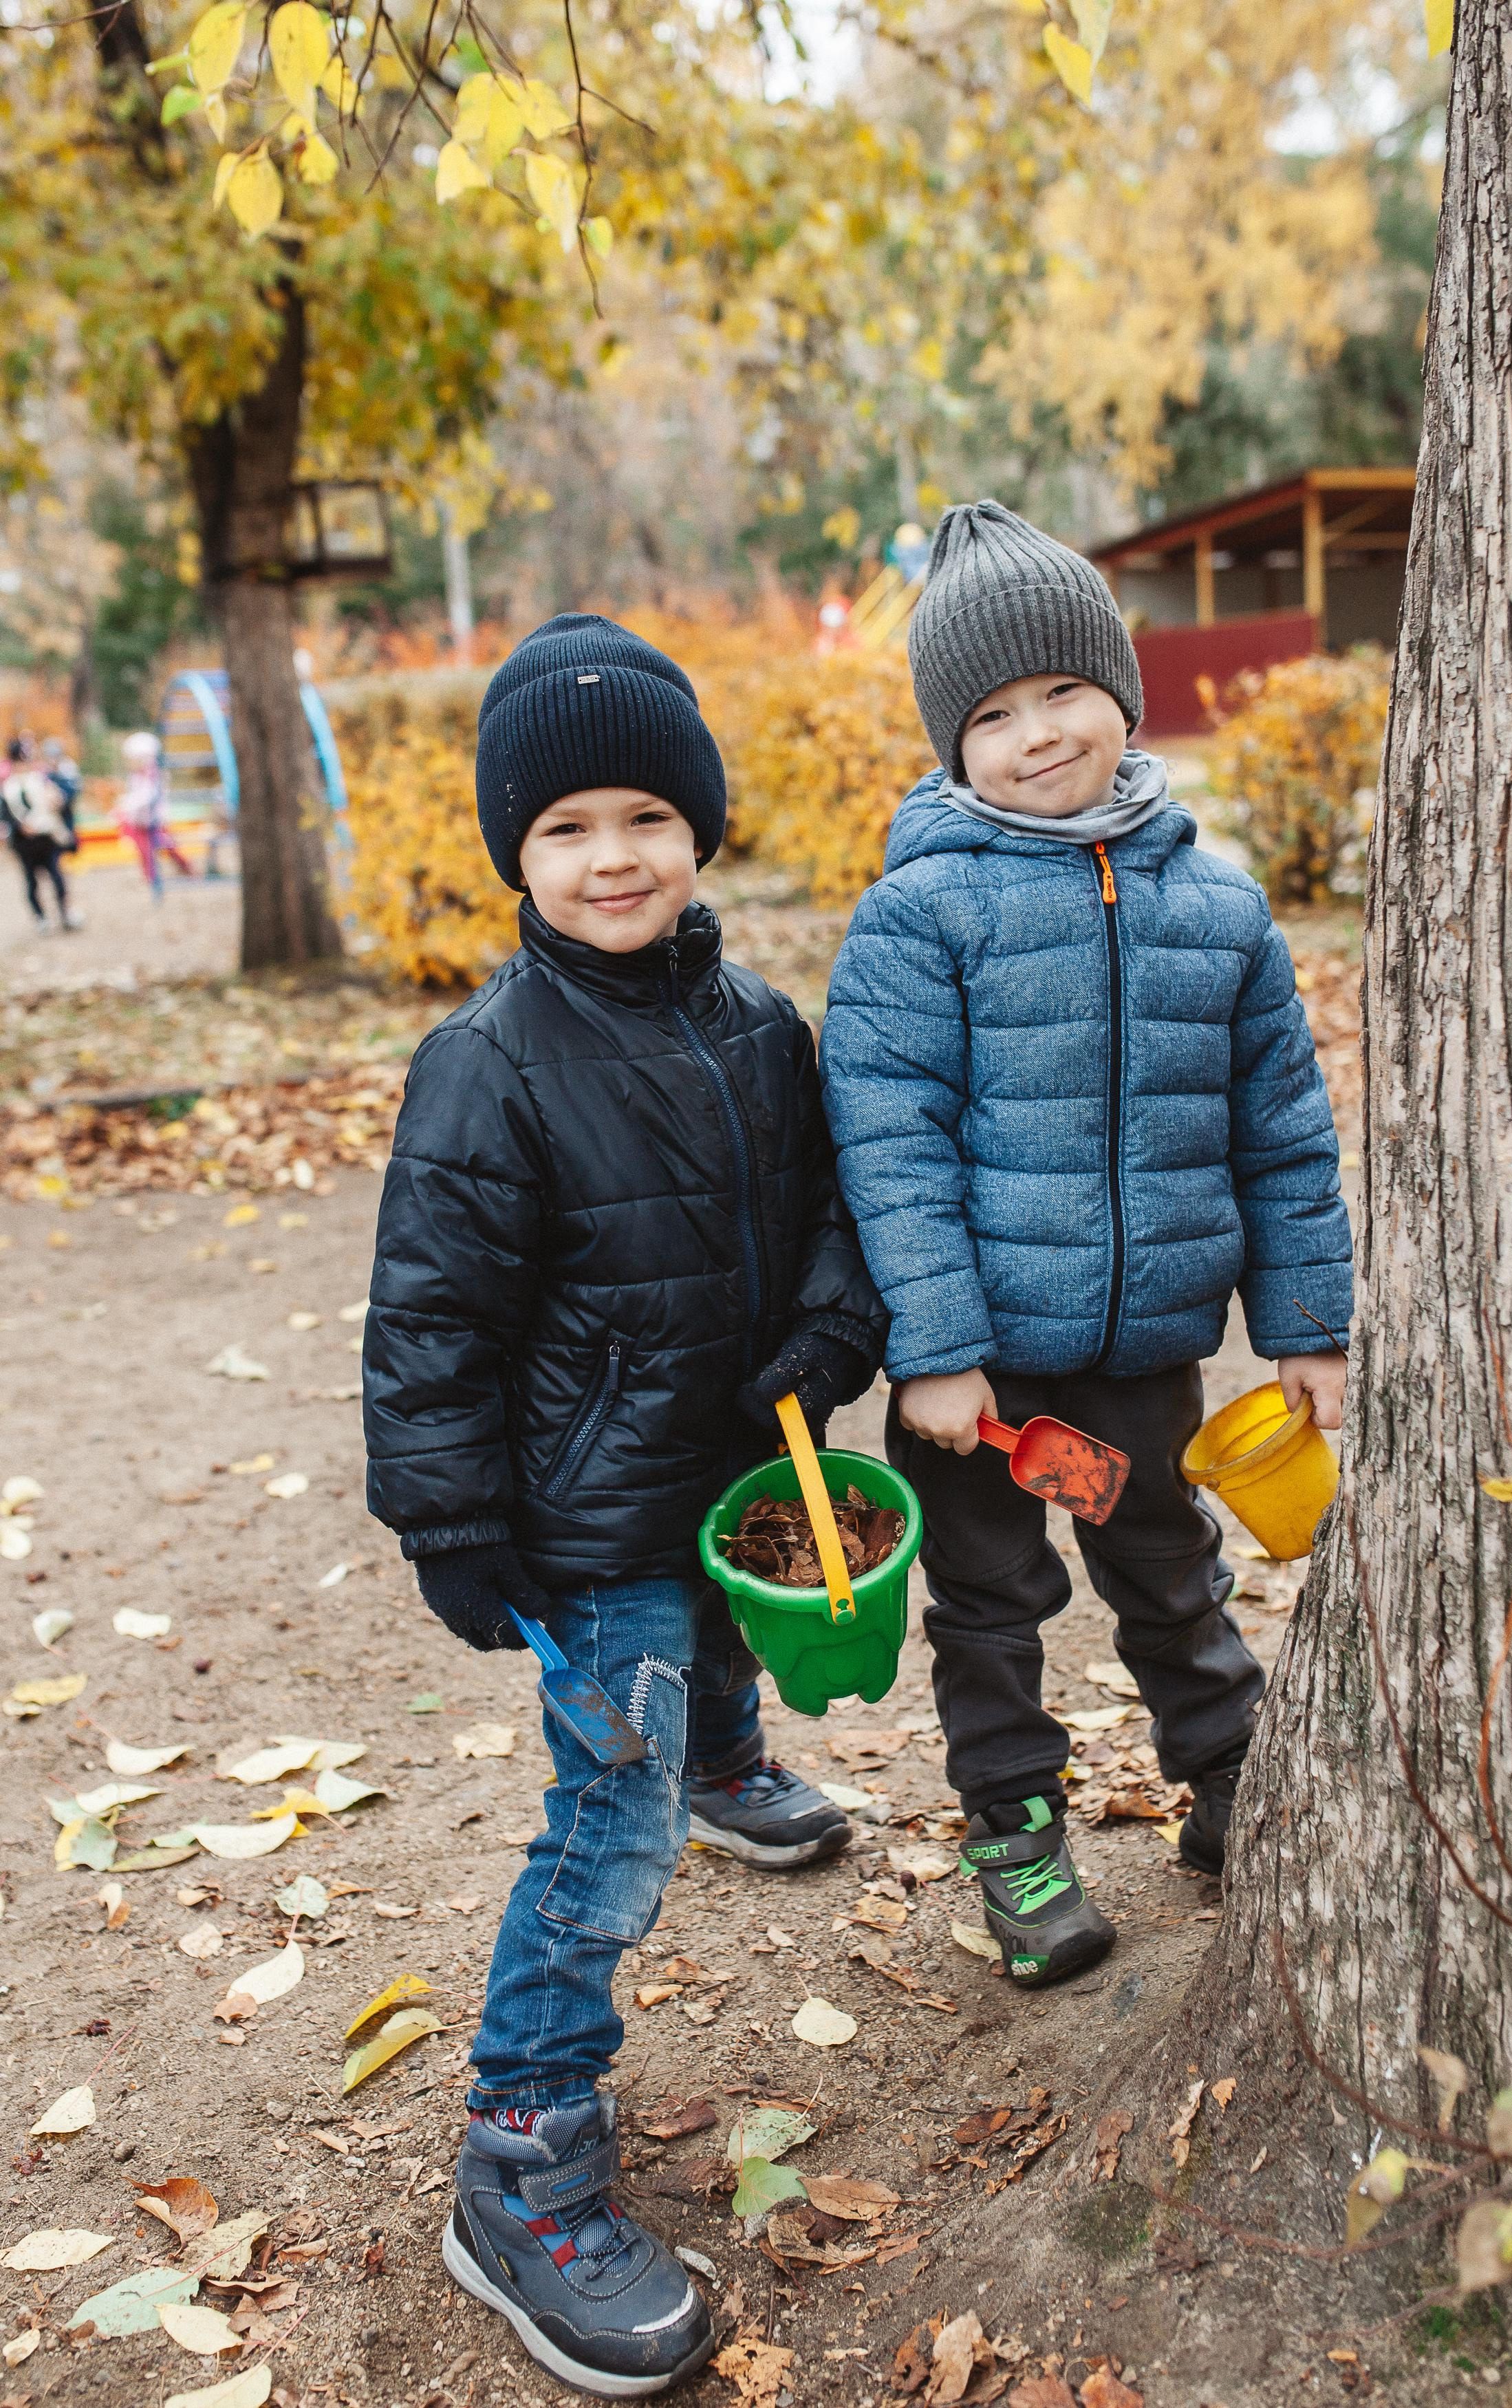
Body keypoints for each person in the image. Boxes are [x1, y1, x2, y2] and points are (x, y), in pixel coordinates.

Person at [363, 614, 886, 2395]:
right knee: (611, 1803)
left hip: (728, 1470)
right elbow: (429, 1314)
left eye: (645, 816)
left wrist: (826, 1329)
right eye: (568, 825)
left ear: (699, 831)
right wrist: (446, 1515)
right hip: (582, 1511)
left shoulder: (759, 1027)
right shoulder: (489, 1060)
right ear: (519, 851)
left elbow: (831, 1214)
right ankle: (518, 2151)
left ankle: (730, 1764)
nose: (612, 856)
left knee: (723, 1644)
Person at [820, 499, 1352, 1988]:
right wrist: (932, 1351)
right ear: (949, 745)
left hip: (1143, 1354)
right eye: (989, 714)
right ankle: (1014, 1831)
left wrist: (1305, 1322)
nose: (1036, 732)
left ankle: (1230, 1782)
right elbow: (888, 1145)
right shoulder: (917, 914)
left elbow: (1281, 1132)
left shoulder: (1217, 904)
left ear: (1118, 690)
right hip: (981, 1383)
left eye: (1061, 690)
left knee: (1166, 1567)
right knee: (992, 1606)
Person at [1, 735, 80, 931]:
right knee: (31, 880)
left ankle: (65, 912)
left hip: (46, 837)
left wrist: (59, 801)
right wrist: (19, 826)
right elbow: (6, 813)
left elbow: (63, 797)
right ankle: (41, 917)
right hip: (24, 841)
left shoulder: (41, 779)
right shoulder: (8, 786)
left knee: (57, 876)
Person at [118, 731, 194, 894]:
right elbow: (136, 794)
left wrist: (129, 805)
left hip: (154, 819)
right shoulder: (137, 775)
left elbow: (148, 795)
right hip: (140, 820)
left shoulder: (154, 774)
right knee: (144, 850)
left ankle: (186, 868)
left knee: (167, 845)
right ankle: (150, 877)